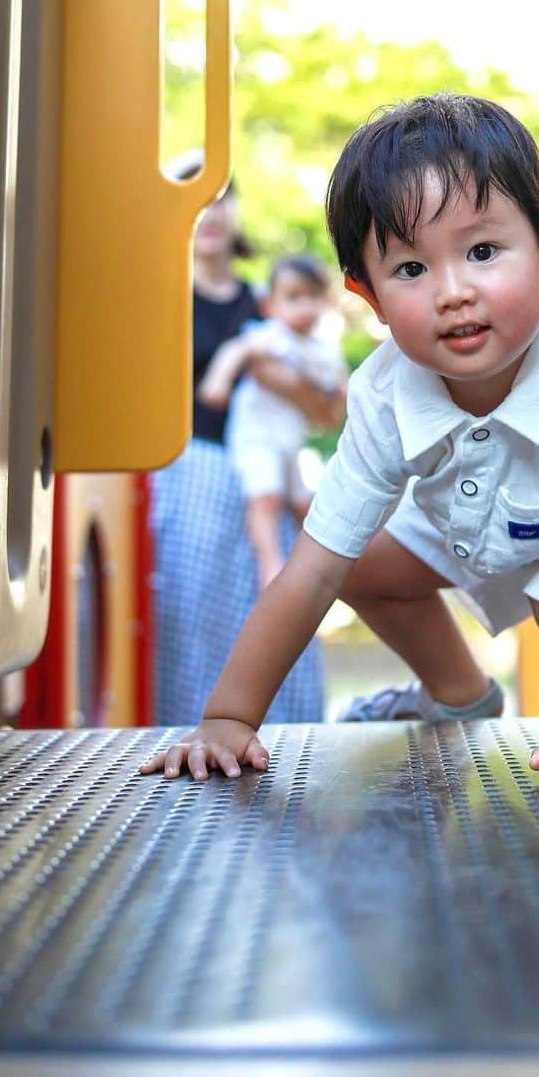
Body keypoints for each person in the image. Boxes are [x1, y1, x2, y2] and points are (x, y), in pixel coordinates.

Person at [142, 96, 539, 781]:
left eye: (482, 251)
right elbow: (315, 567)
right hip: (486, 510)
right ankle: (458, 698)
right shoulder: (386, 391)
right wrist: (229, 720)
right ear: (370, 299)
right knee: (356, 562)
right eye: (411, 269)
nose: (453, 291)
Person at [149, 159, 343, 726]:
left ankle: (283, 737)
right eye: (195, 198)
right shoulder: (158, 298)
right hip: (187, 479)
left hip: (265, 472)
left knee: (274, 601)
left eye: (220, 196)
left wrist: (281, 378)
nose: (210, 211)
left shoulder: (270, 303)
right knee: (187, 618)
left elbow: (327, 409)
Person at [198, 253, 348, 590]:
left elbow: (340, 385)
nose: (304, 306)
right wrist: (218, 381)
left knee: (302, 501)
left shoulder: (323, 348)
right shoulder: (271, 335)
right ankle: (270, 565)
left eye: (313, 296)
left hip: (290, 442)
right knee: (265, 498)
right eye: (293, 297)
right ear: (270, 305)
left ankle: (314, 566)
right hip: (257, 437)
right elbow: (235, 352)